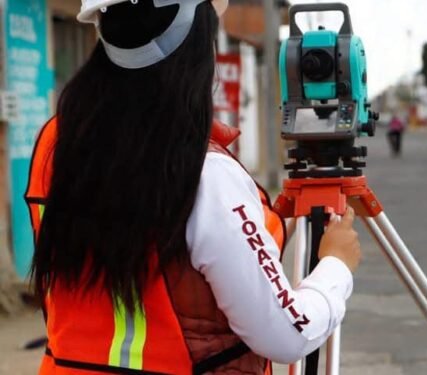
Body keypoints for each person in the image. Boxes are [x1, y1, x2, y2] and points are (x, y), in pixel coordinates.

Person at [26, 1, 361, 374]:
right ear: (196, 41)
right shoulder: (202, 173)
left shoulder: (56, 143)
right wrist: (336, 264)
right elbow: (287, 335)